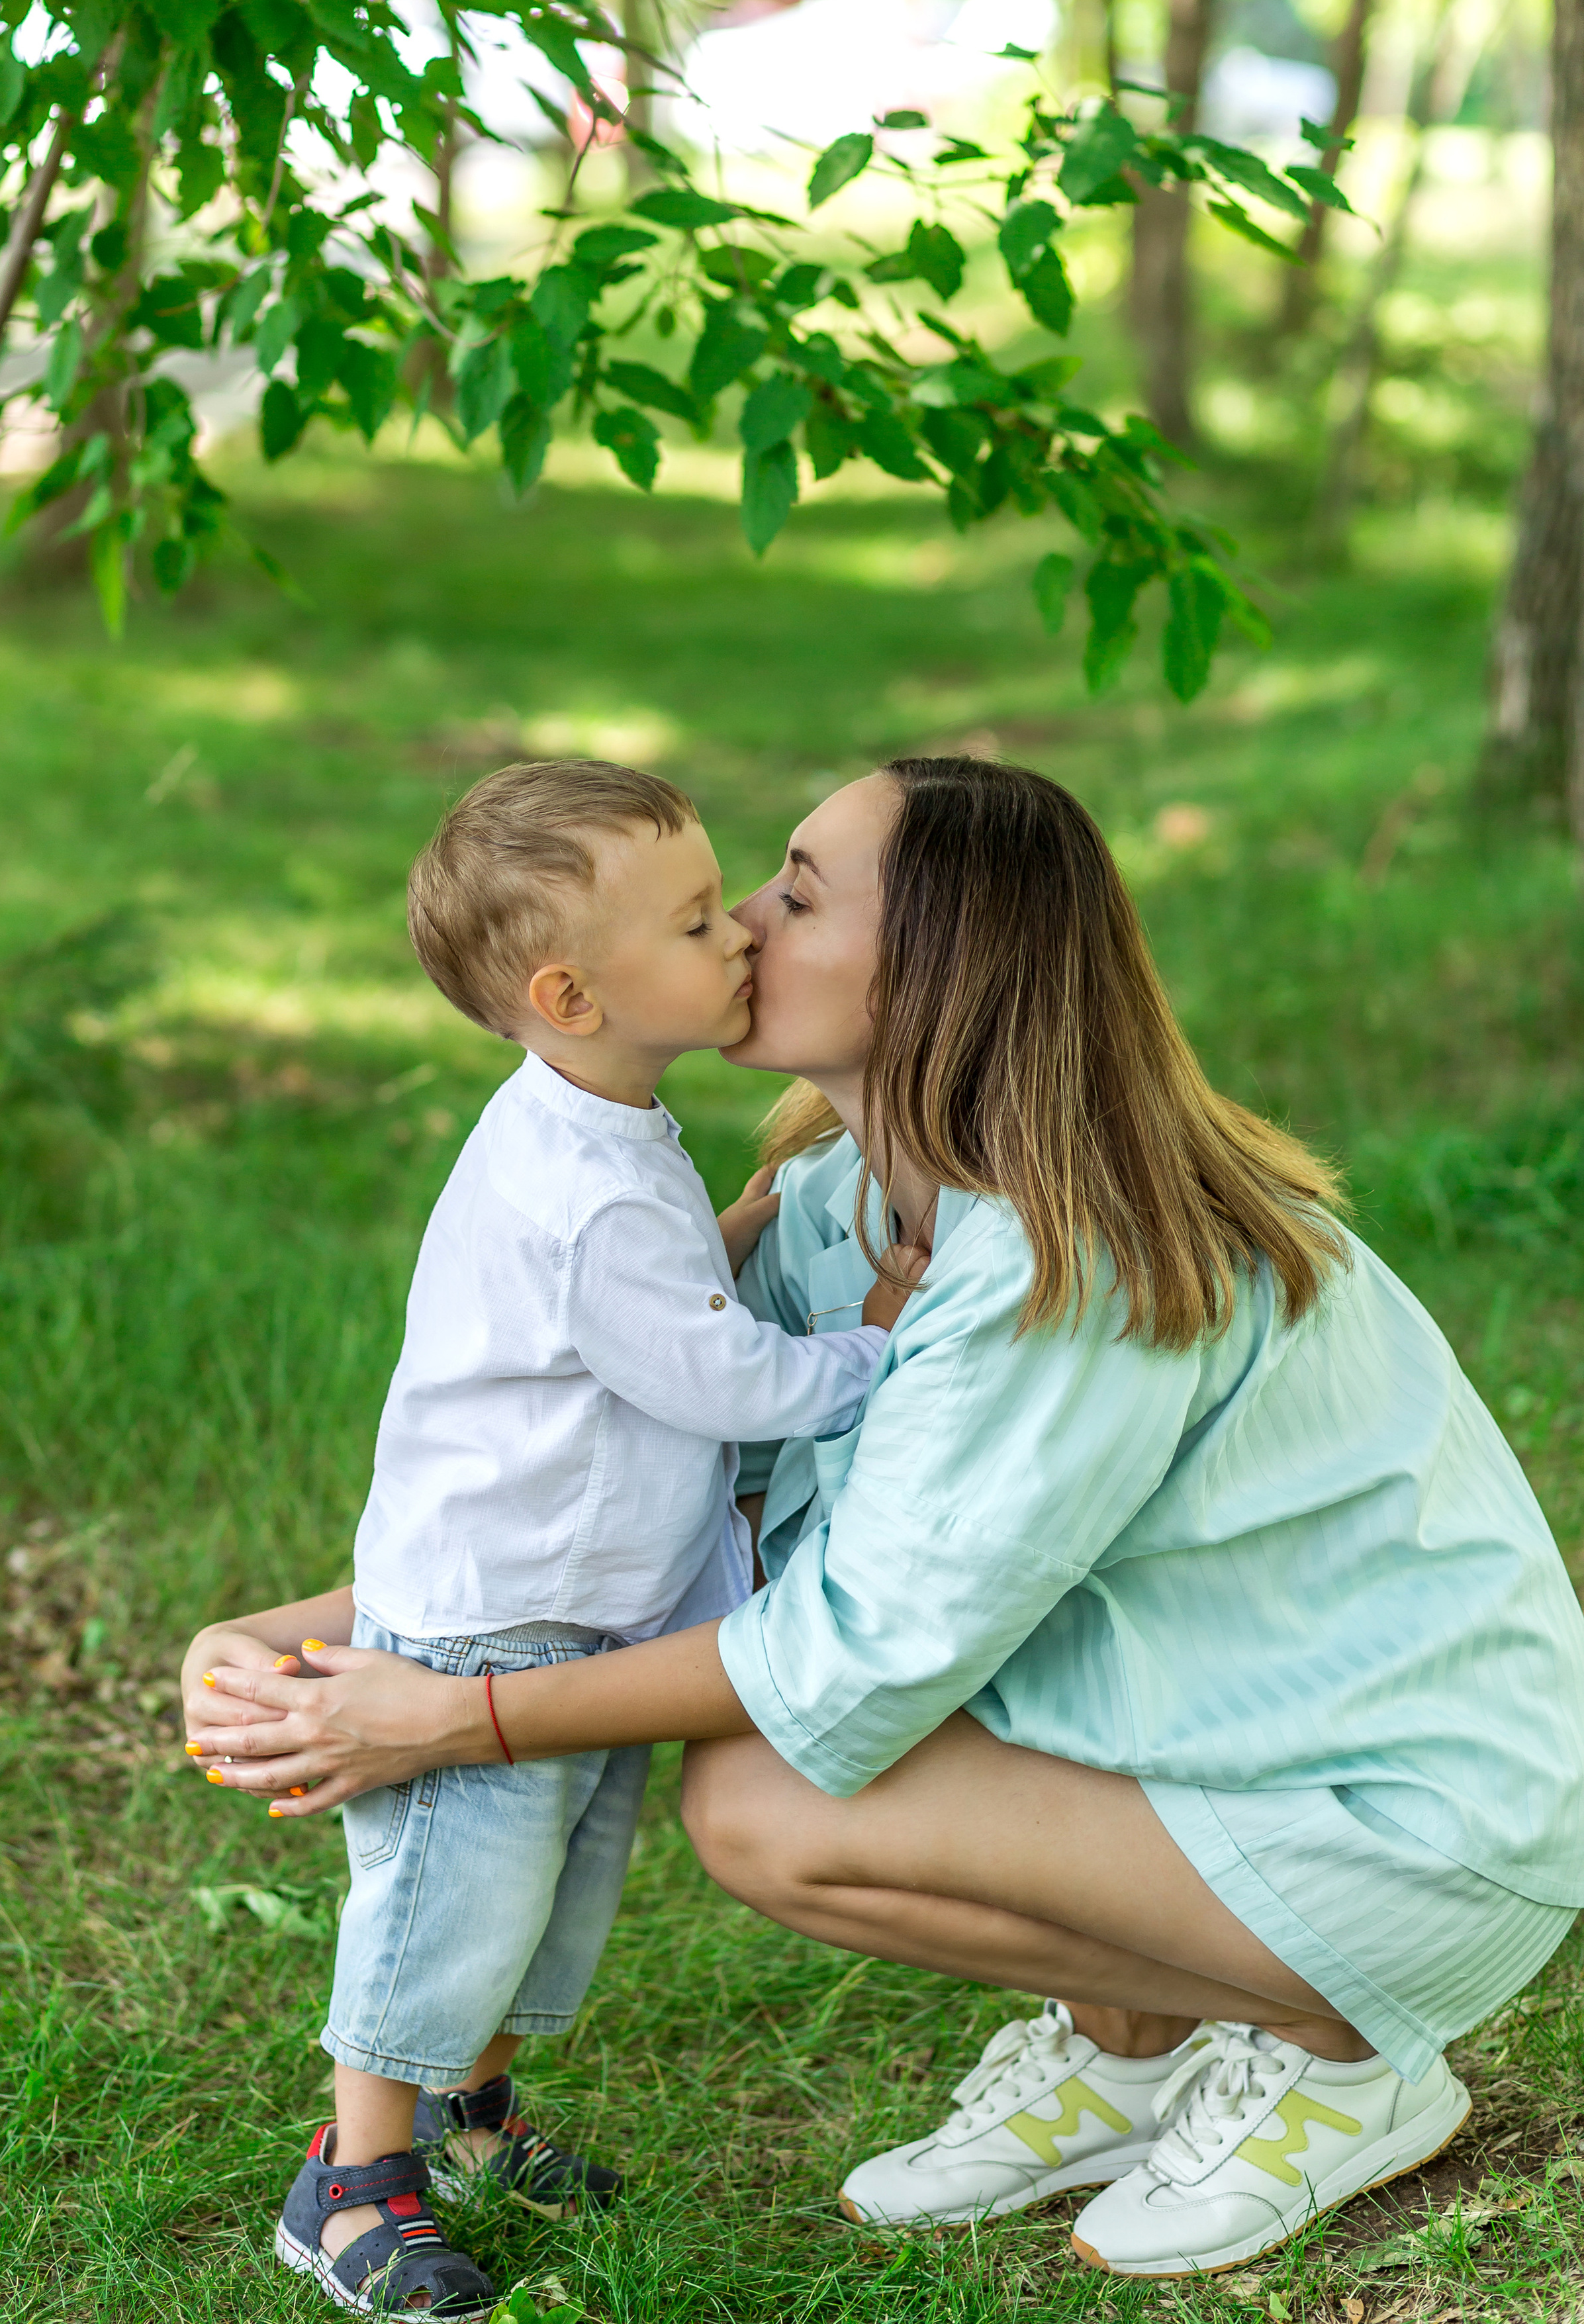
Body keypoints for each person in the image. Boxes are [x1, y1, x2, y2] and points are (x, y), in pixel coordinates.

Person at [187, 756, 1584, 2282]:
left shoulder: (1076, 1261)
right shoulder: (843, 1193)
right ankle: (1129, 2046)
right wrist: (307, 1639)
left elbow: (849, 1658)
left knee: (768, 1800)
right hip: (1218, 1748)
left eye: (794, 889)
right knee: (771, 1782)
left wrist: (463, 1718)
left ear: (939, 965)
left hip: (1420, 1822)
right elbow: (607, 1486)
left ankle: (1339, 2051)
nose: (744, 924)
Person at [186, 761, 913, 2318]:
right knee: (448, 1909)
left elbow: (632, 1310)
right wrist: (870, 1344)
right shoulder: (581, 1179)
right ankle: (350, 2178)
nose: (739, 939)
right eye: (700, 920)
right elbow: (709, 1375)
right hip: (496, 1628)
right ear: (571, 991)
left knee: (542, 1914)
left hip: (578, 1622)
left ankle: (470, 2123)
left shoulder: (601, 1125)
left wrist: (721, 1240)